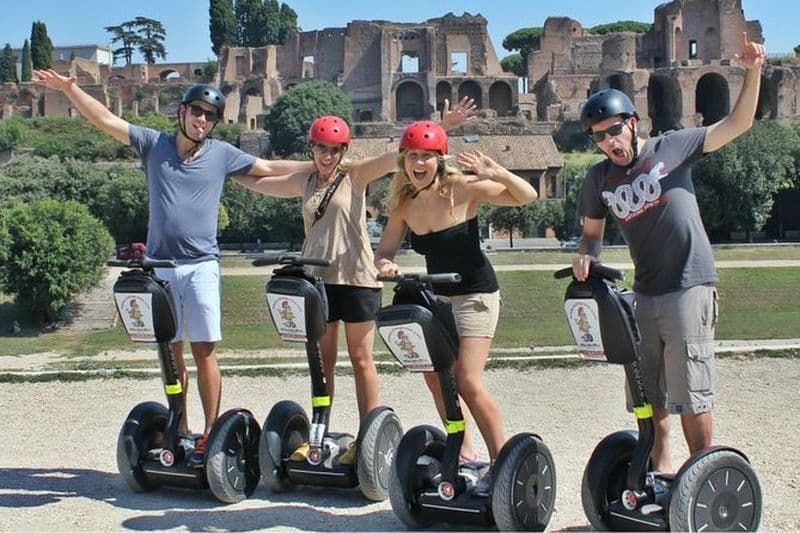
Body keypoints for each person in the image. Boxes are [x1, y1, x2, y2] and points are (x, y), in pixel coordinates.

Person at [32, 69, 313, 467]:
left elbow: (267, 167)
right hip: (160, 268)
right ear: (182, 112)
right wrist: (71, 89)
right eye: (197, 112)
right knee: (171, 354)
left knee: (205, 352)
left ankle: (213, 431)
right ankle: (178, 426)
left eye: (210, 116)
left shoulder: (222, 154)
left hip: (201, 266)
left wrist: (320, 165)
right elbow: (107, 121)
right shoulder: (153, 144)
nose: (202, 120)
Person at [236, 99, 475, 464]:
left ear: (344, 150)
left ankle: (368, 437)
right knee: (322, 361)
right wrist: (218, 164)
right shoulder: (304, 181)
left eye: (334, 150)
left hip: (358, 279)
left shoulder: (356, 175)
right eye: (321, 149)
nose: (327, 157)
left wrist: (444, 124)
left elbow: (403, 149)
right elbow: (258, 181)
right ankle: (319, 432)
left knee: (362, 360)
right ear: (311, 148)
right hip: (316, 281)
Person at [571, 32, 765, 474]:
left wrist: (753, 72)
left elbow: (737, 124)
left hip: (690, 284)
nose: (609, 142)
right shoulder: (599, 179)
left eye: (614, 130)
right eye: (599, 138)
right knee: (648, 393)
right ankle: (659, 473)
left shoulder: (671, 147)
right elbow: (592, 236)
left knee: (691, 391)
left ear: (633, 122)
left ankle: (701, 476)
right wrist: (586, 254)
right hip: (644, 291)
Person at [373, 120, 538, 493]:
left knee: (466, 378)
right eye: (412, 156)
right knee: (435, 376)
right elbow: (382, 252)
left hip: (476, 295)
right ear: (403, 160)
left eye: (426, 158)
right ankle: (464, 451)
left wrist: (496, 171)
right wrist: (385, 265)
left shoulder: (461, 188)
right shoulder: (404, 205)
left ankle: (503, 463)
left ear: (438, 159)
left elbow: (526, 196)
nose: (418, 164)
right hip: (438, 298)